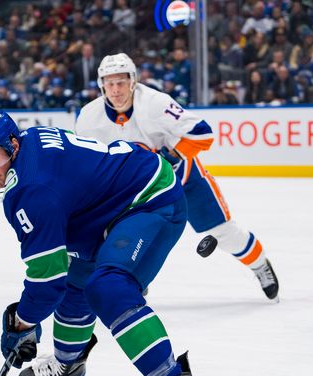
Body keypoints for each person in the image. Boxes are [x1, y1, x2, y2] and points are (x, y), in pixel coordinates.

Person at [0, 108, 214, 376]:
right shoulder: (31, 141)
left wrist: (22, 323)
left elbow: (45, 281)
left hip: (149, 201)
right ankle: (69, 363)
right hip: (111, 208)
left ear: (12, 146)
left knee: (108, 287)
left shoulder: (31, 191)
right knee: (75, 284)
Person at [76, 53, 278, 300]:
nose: (115, 90)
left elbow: (203, 134)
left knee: (223, 233)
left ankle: (260, 265)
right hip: (134, 194)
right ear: (101, 85)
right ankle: (134, 277)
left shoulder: (155, 103)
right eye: (109, 83)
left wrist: (170, 156)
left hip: (183, 180)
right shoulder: (88, 117)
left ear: (133, 81)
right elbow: (85, 161)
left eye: (121, 82)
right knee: (121, 237)